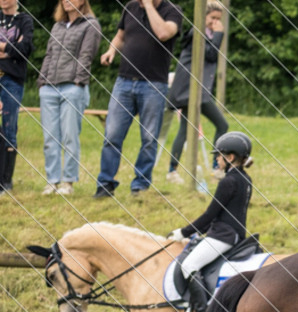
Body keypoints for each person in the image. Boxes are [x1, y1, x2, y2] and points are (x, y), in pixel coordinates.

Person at [94, 0, 183, 199]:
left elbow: (163, 33)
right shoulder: (130, 7)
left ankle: (140, 186)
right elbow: (120, 36)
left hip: (153, 85)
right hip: (123, 82)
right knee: (112, 135)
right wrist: (111, 50)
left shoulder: (173, 11)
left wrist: (150, 6)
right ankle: (105, 184)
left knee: (149, 139)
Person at [166, 131, 252, 312]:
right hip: (236, 234)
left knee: (189, 266)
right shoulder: (244, 179)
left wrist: (183, 232)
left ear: (230, 158)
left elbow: (210, 214)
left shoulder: (228, 181)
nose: (216, 159)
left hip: (223, 236)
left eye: (218, 155)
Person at [37, 0, 103, 196]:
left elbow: (86, 56)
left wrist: (77, 82)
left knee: (69, 136)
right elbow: (49, 54)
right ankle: (52, 181)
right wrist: (42, 81)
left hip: (72, 88)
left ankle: (68, 183)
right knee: (50, 138)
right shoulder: (57, 25)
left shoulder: (91, 25)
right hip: (48, 88)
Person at [165, 1, 228, 184]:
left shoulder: (206, 33)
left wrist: (216, 34)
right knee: (221, 125)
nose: (215, 22)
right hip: (189, 91)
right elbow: (209, 54)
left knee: (186, 130)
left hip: (197, 91)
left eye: (218, 19)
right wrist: (219, 34)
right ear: (203, 16)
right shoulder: (197, 33)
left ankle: (172, 171)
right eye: (212, 18)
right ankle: (217, 168)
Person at [0, 0, 34, 195]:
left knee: (9, 128)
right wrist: (11, 48)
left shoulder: (25, 21)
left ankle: (6, 181)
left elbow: (24, 50)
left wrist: (4, 49)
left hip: (12, 81)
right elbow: (16, 50)